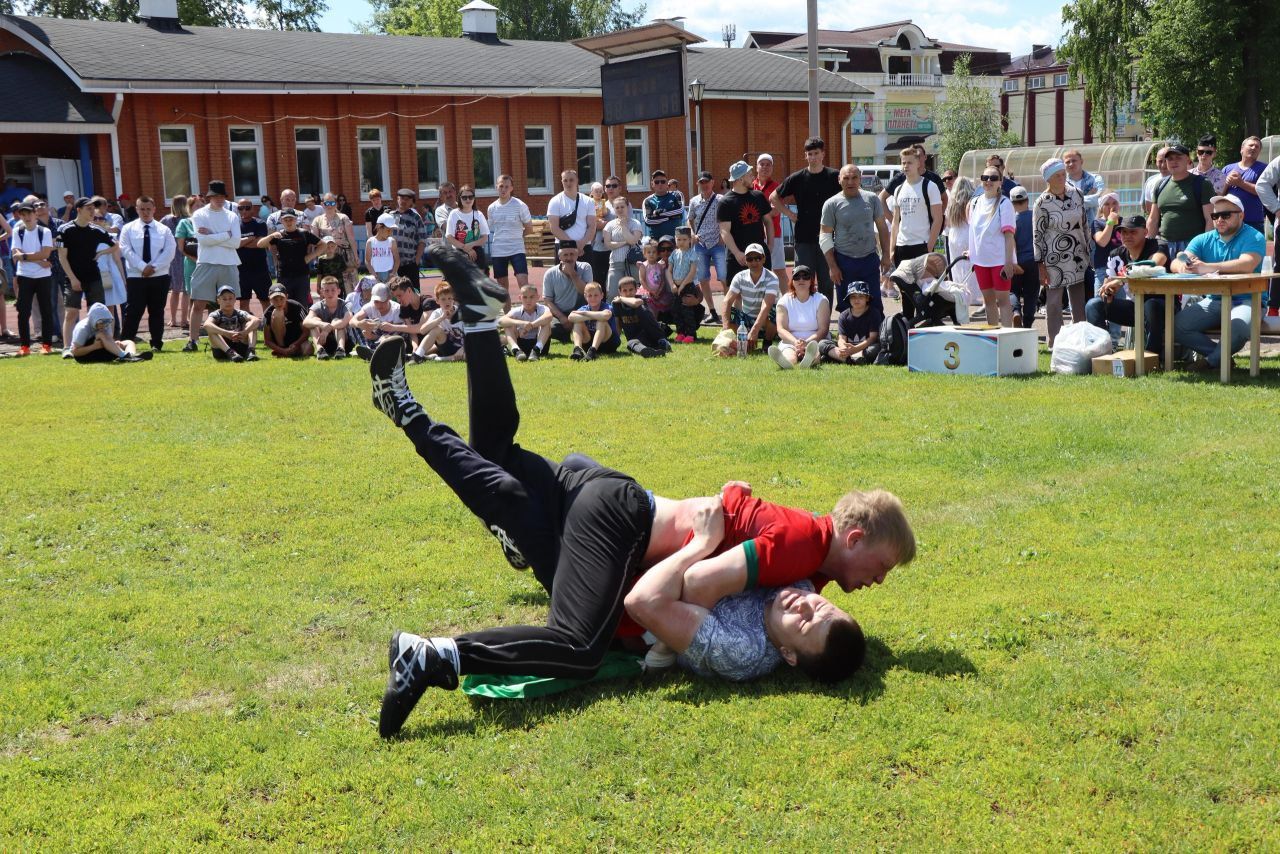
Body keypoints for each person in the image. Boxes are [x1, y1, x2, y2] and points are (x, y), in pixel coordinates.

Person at [369, 245, 915, 735]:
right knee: (579, 646)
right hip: (618, 525)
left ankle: (478, 325)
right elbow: (699, 580)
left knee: (497, 458)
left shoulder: (810, 560)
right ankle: (431, 655)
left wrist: (732, 506)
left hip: (613, 508)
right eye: (882, 567)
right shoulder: (801, 545)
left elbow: (743, 526)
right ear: (856, 537)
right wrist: (669, 639)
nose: (875, 582)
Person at [1172, 195, 1266, 372]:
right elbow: (1176, 262)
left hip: (1248, 299)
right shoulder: (1203, 238)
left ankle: (1209, 362)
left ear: (1241, 215)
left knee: (1238, 327)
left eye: (1226, 215)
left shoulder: (1255, 236)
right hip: (1215, 299)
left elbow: (1247, 264)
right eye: (1215, 216)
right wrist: (1183, 266)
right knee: (1177, 326)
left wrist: (1206, 267)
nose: (1220, 220)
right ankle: (1220, 358)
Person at [1083, 215, 1173, 354]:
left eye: (1133, 232)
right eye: (1124, 232)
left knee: (1151, 305)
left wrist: (1122, 279)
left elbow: (1154, 264)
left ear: (1145, 232)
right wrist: (1108, 292)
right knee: (1094, 304)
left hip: (1164, 305)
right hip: (1135, 306)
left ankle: (1152, 357)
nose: (1127, 236)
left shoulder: (1158, 245)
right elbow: (1108, 283)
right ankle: (1102, 354)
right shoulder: (1116, 254)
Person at [772, 137, 842, 304]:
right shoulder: (797, 178)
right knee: (803, 280)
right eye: (809, 154)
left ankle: (824, 322)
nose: (813, 157)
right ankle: (804, 317)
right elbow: (774, 197)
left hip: (828, 238)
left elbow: (848, 196)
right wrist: (790, 214)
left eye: (816, 153)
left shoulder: (834, 176)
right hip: (803, 238)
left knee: (826, 281)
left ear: (823, 154)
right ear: (805, 156)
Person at [821, 164, 891, 319]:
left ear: (860, 179)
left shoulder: (872, 199)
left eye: (854, 178)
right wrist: (833, 266)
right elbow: (825, 236)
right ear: (839, 180)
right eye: (846, 178)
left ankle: (878, 338)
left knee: (875, 304)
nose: (850, 182)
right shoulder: (831, 204)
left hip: (869, 259)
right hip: (844, 262)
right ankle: (847, 339)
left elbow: (883, 228)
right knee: (846, 307)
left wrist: (886, 255)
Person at [1033, 159, 1089, 348]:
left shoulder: (1077, 194)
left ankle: (1080, 339)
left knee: (1078, 300)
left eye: (1063, 173)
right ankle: (1055, 342)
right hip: (1053, 258)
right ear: (1048, 179)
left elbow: (1084, 223)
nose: (1062, 177)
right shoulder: (1041, 202)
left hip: (1077, 254)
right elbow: (1037, 234)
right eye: (1057, 175)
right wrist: (1040, 264)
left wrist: (1087, 249)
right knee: (1054, 302)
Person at [55, 196, 117, 357]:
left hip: (94, 277)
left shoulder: (97, 230)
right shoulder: (65, 229)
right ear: (79, 210)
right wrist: (74, 279)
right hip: (73, 277)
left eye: (93, 208)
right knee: (71, 313)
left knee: (97, 313)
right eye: (88, 208)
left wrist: (101, 252)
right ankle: (67, 348)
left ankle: (103, 344)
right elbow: (62, 257)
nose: (92, 211)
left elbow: (116, 245)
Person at [187, 180, 241, 352]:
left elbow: (236, 242)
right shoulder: (199, 215)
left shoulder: (232, 215)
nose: (219, 199)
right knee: (198, 304)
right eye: (215, 196)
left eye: (222, 196)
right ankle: (193, 341)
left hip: (229, 262)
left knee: (228, 304)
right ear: (209, 197)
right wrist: (225, 235)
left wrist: (214, 235)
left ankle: (231, 338)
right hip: (206, 262)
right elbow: (203, 240)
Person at [118, 195, 176, 351]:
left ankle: (156, 343)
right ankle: (125, 344)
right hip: (136, 277)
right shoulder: (128, 229)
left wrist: (153, 267)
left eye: (148, 209)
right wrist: (143, 267)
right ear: (136, 209)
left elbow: (170, 251)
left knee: (156, 311)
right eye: (142, 209)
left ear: (154, 209)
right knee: (133, 311)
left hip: (159, 276)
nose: (145, 212)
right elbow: (126, 250)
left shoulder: (164, 230)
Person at [967, 167, 1018, 327]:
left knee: (1003, 300)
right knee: (988, 301)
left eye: (993, 178)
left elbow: (1009, 236)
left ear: (1000, 182)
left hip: (999, 260)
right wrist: (971, 252)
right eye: (985, 177)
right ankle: (993, 337)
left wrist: (1009, 262)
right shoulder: (974, 202)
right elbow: (974, 232)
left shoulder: (1005, 203)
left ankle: (1007, 337)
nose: (988, 181)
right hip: (980, 261)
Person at [1147, 144, 1212, 256]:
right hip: (1165, 246)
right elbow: (1153, 219)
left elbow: (1210, 219)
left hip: (1193, 246)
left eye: (1178, 158)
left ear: (1187, 160)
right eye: (1170, 159)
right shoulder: (1160, 185)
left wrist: (1206, 247)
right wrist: (1149, 244)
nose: (1174, 162)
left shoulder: (1202, 184)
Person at [10, 200, 56, 355]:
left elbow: (46, 254)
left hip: (43, 277)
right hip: (25, 276)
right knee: (23, 311)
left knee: (46, 310)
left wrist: (25, 256)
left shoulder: (45, 231)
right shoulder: (18, 230)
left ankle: (47, 345)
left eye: (29, 213)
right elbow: (15, 255)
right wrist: (38, 260)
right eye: (23, 214)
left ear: (35, 214)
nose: (26, 216)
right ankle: (25, 347)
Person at [718, 160, 773, 283]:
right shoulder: (725, 202)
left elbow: (768, 221)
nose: (753, 177)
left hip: (760, 254)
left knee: (764, 290)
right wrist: (737, 253)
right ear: (741, 179)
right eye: (749, 174)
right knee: (737, 294)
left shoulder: (758, 196)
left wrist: (770, 246)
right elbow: (724, 231)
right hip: (737, 256)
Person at [889, 147, 943, 267]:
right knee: (902, 285)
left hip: (922, 244)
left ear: (918, 163)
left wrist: (929, 247)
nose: (906, 166)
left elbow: (938, 219)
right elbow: (895, 221)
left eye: (909, 162)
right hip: (901, 246)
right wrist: (892, 249)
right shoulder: (898, 189)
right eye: (903, 163)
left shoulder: (930, 186)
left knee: (923, 285)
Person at [768, 264, 830, 369]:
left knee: (814, 352)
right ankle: (787, 362)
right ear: (792, 281)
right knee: (790, 356)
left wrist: (807, 342)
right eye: (797, 277)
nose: (801, 280)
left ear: (811, 281)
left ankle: (810, 359)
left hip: (815, 341)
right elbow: (781, 329)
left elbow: (823, 329)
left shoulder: (821, 300)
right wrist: (795, 342)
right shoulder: (784, 301)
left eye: (805, 276)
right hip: (791, 341)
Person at [721, 242, 779, 353]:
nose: (754, 262)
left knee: (774, 310)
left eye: (757, 258)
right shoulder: (739, 277)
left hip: (764, 320)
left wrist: (755, 330)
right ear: (746, 261)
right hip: (746, 320)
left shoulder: (772, 278)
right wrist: (725, 328)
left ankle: (767, 343)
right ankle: (741, 342)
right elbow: (727, 301)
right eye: (750, 259)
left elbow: (766, 306)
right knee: (731, 312)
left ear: (764, 259)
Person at [258, 208, 322, 305]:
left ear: (296, 220)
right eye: (286, 220)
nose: (289, 222)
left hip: (301, 275)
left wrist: (310, 257)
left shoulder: (304, 233)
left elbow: (323, 245)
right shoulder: (278, 235)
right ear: (281, 221)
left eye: (291, 219)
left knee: (302, 304)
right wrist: (271, 236)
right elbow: (259, 244)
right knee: (284, 304)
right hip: (284, 276)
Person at [687, 170, 724, 325]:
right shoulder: (694, 201)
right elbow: (690, 220)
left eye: (707, 182)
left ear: (712, 182)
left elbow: (727, 219)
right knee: (703, 279)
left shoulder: (721, 200)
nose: (704, 185)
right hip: (701, 244)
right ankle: (713, 311)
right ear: (698, 184)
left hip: (718, 244)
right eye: (701, 182)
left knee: (724, 277)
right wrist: (692, 234)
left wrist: (723, 237)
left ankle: (727, 311)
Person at [487, 175, 533, 292]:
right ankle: (507, 311)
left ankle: (529, 309)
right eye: (501, 186)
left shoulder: (520, 205)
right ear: (496, 187)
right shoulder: (491, 208)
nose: (503, 189)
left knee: (524, 285)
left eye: (507, 186)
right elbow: (490, 228)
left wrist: (517, 237)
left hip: (517, 249)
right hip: (498, 250)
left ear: (511, 188)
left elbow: (529, 228)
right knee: (502, 289)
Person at [541, 240, 593, 343]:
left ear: (577, 255)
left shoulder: (586, 267)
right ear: (559, 257)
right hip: (560, 313)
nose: (569, 258)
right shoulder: (550, 273)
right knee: (550, 327)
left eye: (572, 254)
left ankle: (575, 332)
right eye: (565, 255)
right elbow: (547, 300)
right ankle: (566, 333)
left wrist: (573, 274)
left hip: (579, 311)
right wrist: (562, 318)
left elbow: (587, 293)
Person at [69, 301, 151, 363]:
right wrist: (94, 346)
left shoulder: (106, 324)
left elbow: (107, 340)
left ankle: (131, 355)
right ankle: (124, 355)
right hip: (84, 355)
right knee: (101, 334)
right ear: (93, 318)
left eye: (106, 321)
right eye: (101, 322)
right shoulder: (82, 328)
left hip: (100, 350)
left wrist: (115, 344)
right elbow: (75, 352)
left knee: (129, 342)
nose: (103, 325)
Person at [820, 280, 880, 365]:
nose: (856, 300)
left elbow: (872, 338)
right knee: (822, 343)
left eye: (860, 296)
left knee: (876, 348)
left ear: (867, 298)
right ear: (849, 299)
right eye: (853, 297)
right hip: (848, 348)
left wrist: (855, 349)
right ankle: (850, 359)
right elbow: (841, 338)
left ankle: (839, 358)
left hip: (865, 348)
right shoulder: (844, 315)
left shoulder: (874, 313)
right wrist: (843, 348)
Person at [611, 275, 671, 358]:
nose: (628, 293)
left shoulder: (641, 298)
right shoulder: (616, 304)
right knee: (630, 344)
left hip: (650, 334)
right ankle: (645, 351)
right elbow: (618, 325)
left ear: (636, 289)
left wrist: (621, 298)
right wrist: (615, 342)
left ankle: (662, 341)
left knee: (643, 309)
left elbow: (635, 303)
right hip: (635, 339)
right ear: (619, 291)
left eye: (631, 290)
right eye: (624, 290)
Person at [312, 192, 358, 294]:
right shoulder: (317, 220)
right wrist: (315, 257)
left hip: (344, 255)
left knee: (349, 286)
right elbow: (315, 241)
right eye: (327, 203)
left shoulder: (343, 218)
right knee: (329, 286)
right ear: (322, 204)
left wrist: (356, 255)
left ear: (336, 204)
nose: (330, 206)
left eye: (332, 203)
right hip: (327, 257)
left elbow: (351, 238)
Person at [547, 171, 596, 264]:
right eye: (565, 180)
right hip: (563, 246)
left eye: (571, 180)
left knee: (586, 278)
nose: (568, 183)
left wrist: (581, 244)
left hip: (584, 246)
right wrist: (573, 245)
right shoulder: (555, 201)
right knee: (562, 277)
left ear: (577, 181)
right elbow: (554, 228)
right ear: (561, 181)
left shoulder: (588, 201)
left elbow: (592, 226)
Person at [944, 177, 979, 306]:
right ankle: (973, 294)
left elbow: (947, 221)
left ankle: (961, 293)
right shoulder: (973, 200)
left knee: (957, 265)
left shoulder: (952, 202)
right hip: (968, 232)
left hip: (954, 234)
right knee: (970, 264)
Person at [753, 154, 787, 284]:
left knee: (779, 270)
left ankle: (786, 301)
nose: (765, 167)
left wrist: (756, 214)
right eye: (762, 164)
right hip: (755, 234)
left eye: (768, 164)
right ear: (756, 167)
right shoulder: (750, 186)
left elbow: (775, 211)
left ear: (772, 168)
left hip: (775, 235)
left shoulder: (778, 187)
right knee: (756, 270)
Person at [1222, 136, 1267, 234]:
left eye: (1257, 147)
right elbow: (1219, 195)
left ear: (1259, 152)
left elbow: (1263, 191)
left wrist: (1240, 183)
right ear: (1242, 149)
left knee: (1253, 249)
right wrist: (1227, 182)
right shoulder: (1227, 169)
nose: (1254, 148)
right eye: (1251, 145)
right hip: (1229, 220)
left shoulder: (1264, 168)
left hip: (1253, 222)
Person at [601, 196, 643, 300]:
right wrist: (625, 242)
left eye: (622, 207)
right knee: (612, 293)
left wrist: (624, 226)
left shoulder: (635, 223)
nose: (620, 210)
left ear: (627, 207)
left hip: (632, 263)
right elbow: (608, 244)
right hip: (615, 262)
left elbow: (633, 241)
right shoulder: (609, 225)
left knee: (634, 293)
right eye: (617, 207)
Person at [203, 284, 260, 362]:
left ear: (235, 299)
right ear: (218, 300)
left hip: (240, 343)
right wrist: (226, 333)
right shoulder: (215, 314)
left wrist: (244, 332)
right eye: (224, 299)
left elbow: (256, 320)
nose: (228, 301)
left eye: (230, 298)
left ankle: (251, 351)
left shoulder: (240, 313)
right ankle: (231, 353)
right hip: (222, 349)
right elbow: (206, 324)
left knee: (251, 325)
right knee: (211, 331)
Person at [232, 197, 270, 313]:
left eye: (247, 208)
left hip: (260, 269)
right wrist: (250, 238)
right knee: (243, 302)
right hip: (241, 270)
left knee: (265, 300)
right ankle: (246, 326)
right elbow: (234, 244)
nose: (244, 211)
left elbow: (260, 244)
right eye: (241, 208)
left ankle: (267, 325)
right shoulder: (235, 225)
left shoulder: (260, 223)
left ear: (252, 209)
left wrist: (241, 242)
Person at [411, 281, 465, 363]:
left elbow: (472, 335)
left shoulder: (461, 312)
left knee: (472, 355)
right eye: (443, 299)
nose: (447, 302)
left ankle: (440, 359)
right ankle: (417, 356)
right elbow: (422, 330)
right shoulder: (437, 313)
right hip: (446, 346)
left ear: (453, 299)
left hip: (462, 348)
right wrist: (441, 318)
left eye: (449, 298)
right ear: (437, 301)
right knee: (436, 329)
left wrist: (463, 348)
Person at [1008, 186, 1038, 328]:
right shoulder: (1035, 217)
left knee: (1012, 290)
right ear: (1027, 200)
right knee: (1031, 293)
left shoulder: (1011, 221)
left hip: (1017, 261)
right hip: (1034, 261)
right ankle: (1027, 322)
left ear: (1012, 203)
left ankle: (1015, 312)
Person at [567, 281, 619, 361]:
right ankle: (577, 350)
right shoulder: (584, 307)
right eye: (590, 296)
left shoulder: (607, 306)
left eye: (596, 295)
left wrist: (585, 314)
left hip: (608, 343)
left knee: (601, 321)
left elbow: (606, 315)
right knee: (578, 322)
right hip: (588, 342)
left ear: (602, 295)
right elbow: (571, 317)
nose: (593, 298)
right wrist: (593, 316)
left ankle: (593, 351)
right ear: (585, 296)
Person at [499, 283, 553, 361]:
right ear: (520, 298)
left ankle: (536, 350)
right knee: (508, 324)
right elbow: (501, 321)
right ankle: (516, 350)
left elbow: (549, 316)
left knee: (546, 323)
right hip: (522, 344)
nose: (528, 300)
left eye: (532, 297)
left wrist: (531, 325)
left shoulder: (543, 308)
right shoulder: (516, 311)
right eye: (525, 297)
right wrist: (521, 323)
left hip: (540, 343)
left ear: (538, 297)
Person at [669, 226, 704, 341]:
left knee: (687, 310)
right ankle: (680, 332)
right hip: (676, 287)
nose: (681, 242)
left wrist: (683, 285)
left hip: (688, 286)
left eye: (684, 239)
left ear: (690, 240)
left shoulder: (692, 254)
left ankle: (690, 334)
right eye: (678, 239)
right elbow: (668, 271)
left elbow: (692, 272)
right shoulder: (674, 253)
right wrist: (672, 284)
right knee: (676, 310)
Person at [445, 185, 490, 274]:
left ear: (474, 198)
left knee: (479, 283)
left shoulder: (479, 214)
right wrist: (466, 248)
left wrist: (471, 245)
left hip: (477, 252)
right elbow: (449, 236)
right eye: (464, 197)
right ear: (459, 199)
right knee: (463, 283)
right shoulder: (454, 214)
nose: (468, 200)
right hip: (459, 252)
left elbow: (485, 237)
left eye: (470, 197)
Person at [304, 275, 351, 360]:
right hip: (323, 341)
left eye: (333, 290)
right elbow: (305, 322)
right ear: (321, 292)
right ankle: (320, 350)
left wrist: (327, 329)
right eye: (326, 290)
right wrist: (321, 324)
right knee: (314, 321)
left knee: (337, 321)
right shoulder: (317, 306)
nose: (330, 293)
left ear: (339, 291)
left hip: (344, 341)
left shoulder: (346, 305)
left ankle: (341, 350)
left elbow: (346, 320)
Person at [351, 281, 402, 358]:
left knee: (393, 339)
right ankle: (367, 347)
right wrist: (360, 324)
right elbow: (352, 321)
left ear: (389, 298)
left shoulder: (397, 309)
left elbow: (400, 333)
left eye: (382, 301)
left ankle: (373, 351)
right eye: (376, 302)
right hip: (374, 337)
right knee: (357, 325)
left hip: (390, 339)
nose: (379, 305)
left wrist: (379, 337)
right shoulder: (370, 306)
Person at [261, 282, 311, 357]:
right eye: (275, 299)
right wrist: (282, 350)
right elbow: (267, 341)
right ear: (270, 299)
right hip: (280, 343)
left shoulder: (297, 307)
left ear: (287, 297)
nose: (279, 302)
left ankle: (288, 352)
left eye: (281, 299)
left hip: (296, 341)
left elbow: (306, 332)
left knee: (308, 349)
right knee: (278, 313)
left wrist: (296, 344)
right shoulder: (267, 313)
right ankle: (283, 350)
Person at [169, 195, 195, 331]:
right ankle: (186, 319)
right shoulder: (188, 221)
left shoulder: (166, 219)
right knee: (187, 291)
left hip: (174, 258)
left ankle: (173, 319)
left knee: (175, 290)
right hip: (187, 257)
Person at [1091, 193, 1124, 295]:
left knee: (1122, 305)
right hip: (1103, 269)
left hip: (1121, 270)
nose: (1111, 207)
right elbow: (1102, 242)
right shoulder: (1097, 223)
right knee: (1101, 302)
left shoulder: (1124, 223)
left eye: (1114, 203)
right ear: (1101, 207)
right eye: (1107, 204)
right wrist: (1110, 222)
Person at [392, 188, 427, 280]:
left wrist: (416, 260)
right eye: (401, 198)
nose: (403, 201)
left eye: (407, 199)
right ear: (397, 199)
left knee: (413, 292)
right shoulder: (391, 216)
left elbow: (422, 240)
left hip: (410, 263)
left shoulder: (415, 217)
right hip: (393, 264)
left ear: (411, 201)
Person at [1064, 149, 1106, 224]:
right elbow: (1060, 204)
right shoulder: (1062, 183)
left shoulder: (1095, 179)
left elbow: (1101, 199)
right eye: (1067, 162)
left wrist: (1073, 201)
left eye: (1074, 161)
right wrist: (1089, 197)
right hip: (1070, 227)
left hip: (1092, 227)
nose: (1071, 164)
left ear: (1081, 161)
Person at [642, 170, 684, 241]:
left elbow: (679, 210)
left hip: (676, 239)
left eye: (663, 181)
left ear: (667, 184)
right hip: (656, 241)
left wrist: (659, 213)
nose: (660, 184)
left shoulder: (676, 195)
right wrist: (670, 217)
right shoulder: (647, 200)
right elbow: (648, 220)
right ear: (652, 184)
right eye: (656, 182)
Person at [365, 212, 399, 283]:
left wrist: (392, 274)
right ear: (379, 227)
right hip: (376, 275)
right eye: (388, 230)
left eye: (391, 230)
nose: (390, 233)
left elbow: (397, 260)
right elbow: (367, 261)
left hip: (390, 275)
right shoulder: (370, 242)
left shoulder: (392, 241)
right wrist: (374, 275)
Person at [1142, 146, 1170, 217]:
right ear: (1156, 161)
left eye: (1166, 161)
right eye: (1160, 161)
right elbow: (1147, 208)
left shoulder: (1180, 179)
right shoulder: (1150, 181)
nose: (1163, 165)